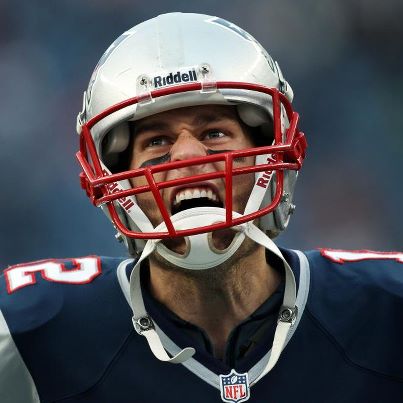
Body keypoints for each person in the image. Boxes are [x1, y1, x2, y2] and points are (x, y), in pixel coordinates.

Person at [0, 12, 402, 403]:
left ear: (270, 154)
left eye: (214, 132)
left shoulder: (385, 308)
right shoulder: (33, 331)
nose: (188, 156)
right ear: (118, 181)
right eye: (157, 141)